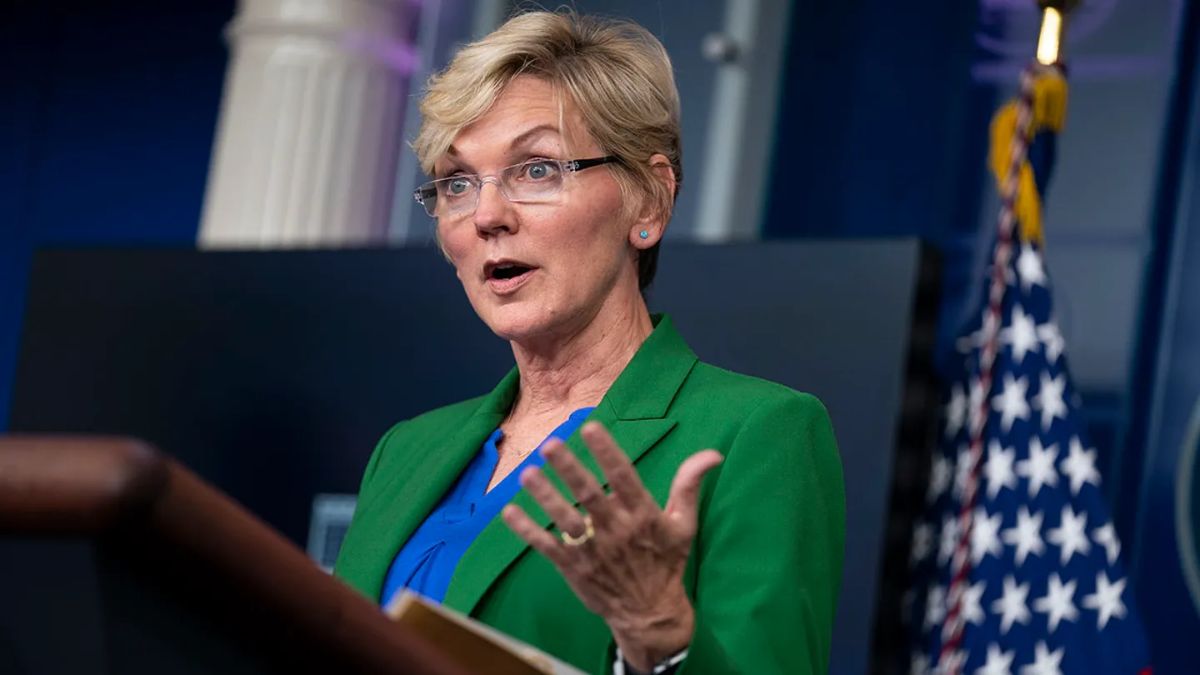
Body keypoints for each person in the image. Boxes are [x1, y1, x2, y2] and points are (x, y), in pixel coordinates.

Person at [334, 10, 845, 674]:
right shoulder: (407, 449)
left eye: (537, 169)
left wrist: (660, 638)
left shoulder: (756, 434)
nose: (487, 215)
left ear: (649, 204)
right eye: (458, 183)